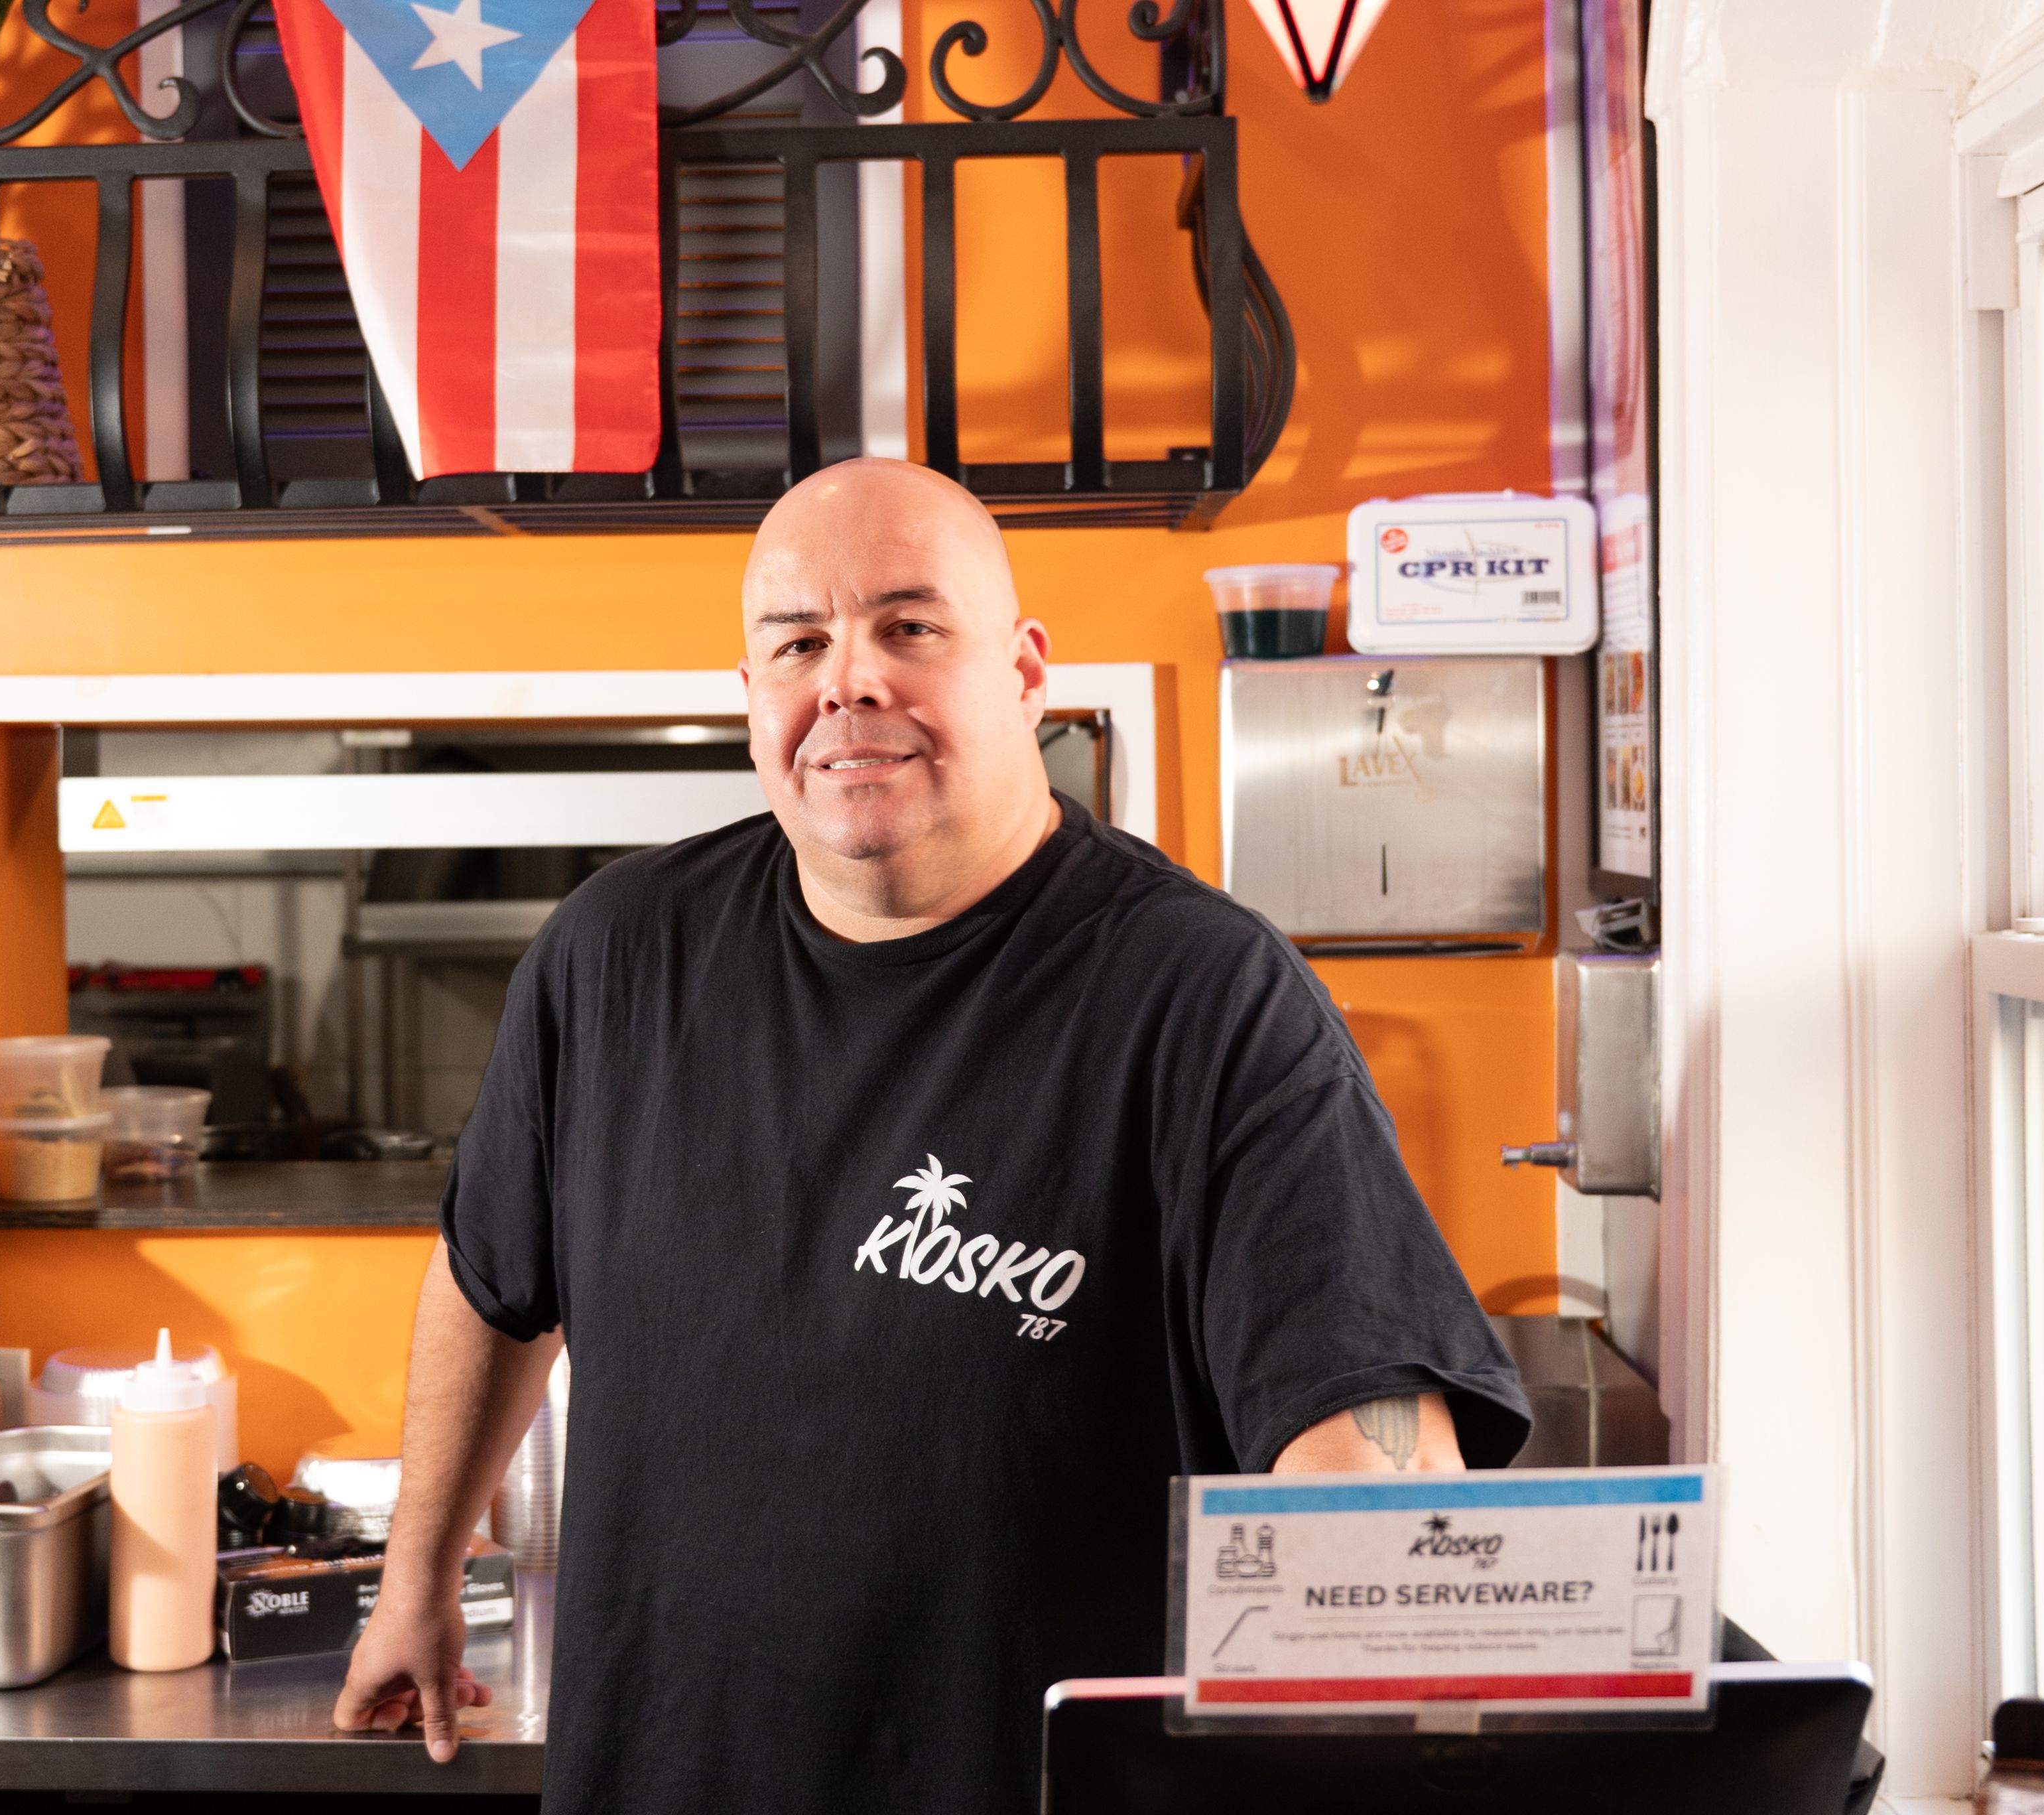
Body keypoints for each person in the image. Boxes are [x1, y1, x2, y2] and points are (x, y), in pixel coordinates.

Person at [332, 459, 1530, 1813]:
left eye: (908, 627)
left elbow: (1358, 1414)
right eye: (798, 643)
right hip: (663, 1774)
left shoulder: (1201, 998)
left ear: (1023, 673)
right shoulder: (613, 955)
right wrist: (416, 1580)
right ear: (749, 698)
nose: (847, 681)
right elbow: (490, 1279)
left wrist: (1384, 1608)